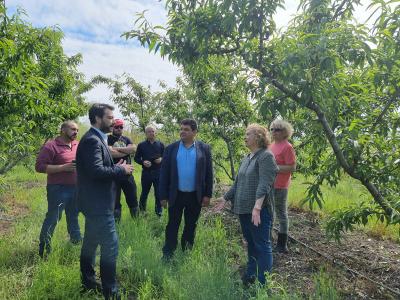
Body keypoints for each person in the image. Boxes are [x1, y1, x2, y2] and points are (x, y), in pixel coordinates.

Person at [76, 103, 134, 300]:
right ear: (98, 119)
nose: (113, 121)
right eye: (109, 118)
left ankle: (88, 281)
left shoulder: (96, 139)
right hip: (98, 205)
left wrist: (114, 166)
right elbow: (96, 172)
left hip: (93, 203)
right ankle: (112, 293)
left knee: (91, 243)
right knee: (110, 248)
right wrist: (121, 170)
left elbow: (98, 168)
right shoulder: (93, 140)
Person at [214, 124, 278, 285]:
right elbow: (238, 183)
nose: (245, 137)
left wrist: (257, 207)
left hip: (259, 211)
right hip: (243, 209)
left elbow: (265, 183)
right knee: (251, 243)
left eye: (248, 134)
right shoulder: (247, 157)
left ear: (258, 137)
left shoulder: (266, 157)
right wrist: (225, 198)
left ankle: (263, 284)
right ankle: (250, 276)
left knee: (262, 245)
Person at [159, 119, 213, 259]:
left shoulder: (204, 148)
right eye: (181, 128)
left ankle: (186, 251)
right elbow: (164, 174)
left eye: (186, 129)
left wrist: (208, 195)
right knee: (172, 224)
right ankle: (168, 253)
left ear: (194, 132)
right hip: (176, 194)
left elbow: (209, 173)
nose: (182, 131)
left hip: (195, 196)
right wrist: (163, 196)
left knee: (191, 225)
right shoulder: (171, 149)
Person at [35, 120, 82, 258]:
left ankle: (76, 242)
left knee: (73, 216)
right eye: (73, 129)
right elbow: (39, 167)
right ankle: (44, 250)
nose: (76, 132)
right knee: (53, 218)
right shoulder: (51, 146)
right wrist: (63, 168)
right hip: (58, 189)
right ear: (63, 130)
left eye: (77, 130)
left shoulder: (77, 145)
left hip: (76, 188)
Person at [269, 119, 296, 253]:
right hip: (269, 184)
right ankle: (268, 240)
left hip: (280, 185)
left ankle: (282, 244)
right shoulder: (271, 145)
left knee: (281, 213)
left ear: (285, 132)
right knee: (269, 212)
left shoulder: (287, 147)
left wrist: (275, 168)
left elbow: (292, 167)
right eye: (272, 129)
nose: (274, 132)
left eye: (277, 129)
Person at [108, 119, 138, 221]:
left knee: (132, 199)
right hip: (113, 174)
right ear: (112, 127)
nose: (119, 129)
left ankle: (136, 222)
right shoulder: (107, 139)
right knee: (115, 202)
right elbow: (110, 153)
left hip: (128, 175)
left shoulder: (126, 139)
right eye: (117, 127)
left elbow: (133, 149)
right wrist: (126, 151)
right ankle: (117, 225)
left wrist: (116, 149)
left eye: (121, 127)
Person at [134, 125, 164, 216]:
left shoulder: (160, 144)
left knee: (158, 194)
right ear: (146, 133)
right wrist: (143, 162)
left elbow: (166, 157)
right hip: (146, 173)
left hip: (158, 173)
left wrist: (161, 159)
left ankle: (159, 213)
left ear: (156, 132)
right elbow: (136, 158)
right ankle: (142, 212)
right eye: (149, 131)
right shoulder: (141, 145)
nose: (151, 133)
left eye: (153, 131)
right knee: (144, 193)